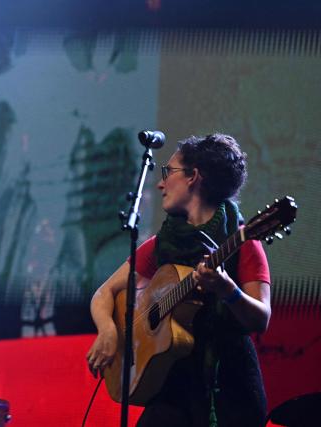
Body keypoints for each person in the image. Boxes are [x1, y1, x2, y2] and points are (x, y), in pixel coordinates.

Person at [86, 134, 271, 427]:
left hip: (230, 393)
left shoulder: (243, 241)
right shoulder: (162, 244)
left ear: (192, 177)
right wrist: (108, 330)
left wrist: (227, 289)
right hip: (175, 391)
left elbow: (260, 319)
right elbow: (104, 292)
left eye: (168, 172)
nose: (161, 183)